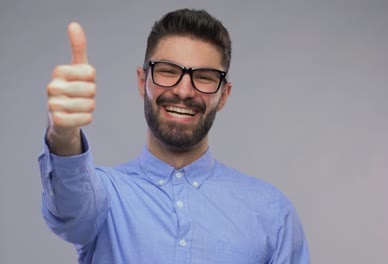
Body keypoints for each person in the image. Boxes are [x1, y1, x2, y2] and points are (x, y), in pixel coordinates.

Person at [38, 8, 309, 264]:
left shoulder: (272, 213)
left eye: (204, 77)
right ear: (142, 81)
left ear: (223, 95)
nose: (183, 91)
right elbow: (69, 208)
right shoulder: (103, 198)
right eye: (168, 72)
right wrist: (64, 134)